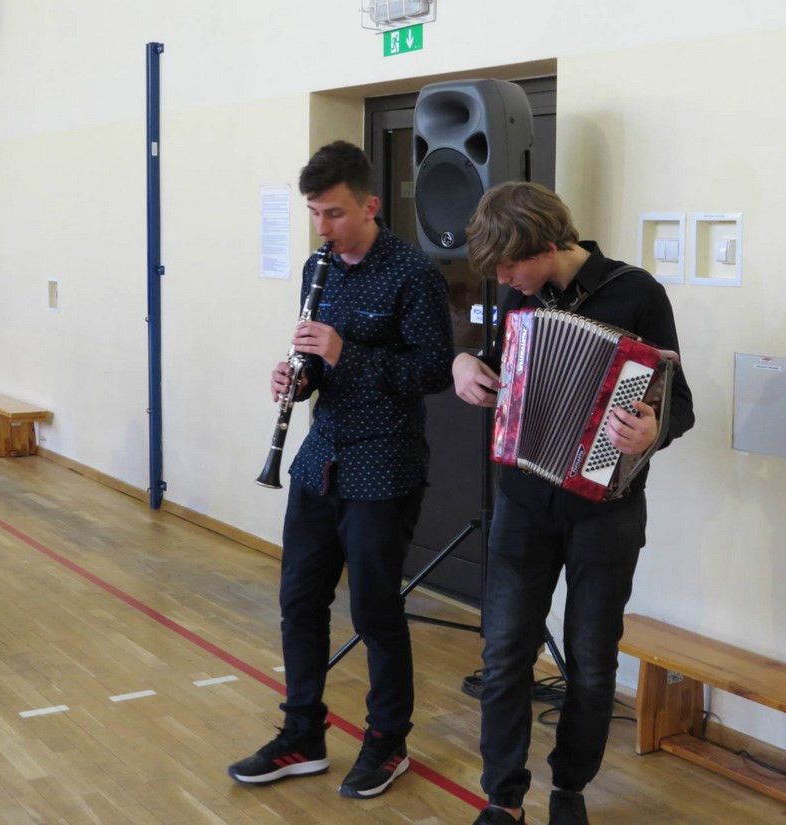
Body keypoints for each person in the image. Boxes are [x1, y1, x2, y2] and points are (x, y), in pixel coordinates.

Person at [453, 182, 695, 825]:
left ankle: (570, 790)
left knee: (590, 663)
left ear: (548, 246)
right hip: (523, 503)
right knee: (504, 656)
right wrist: (464, 364)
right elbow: (496, 366)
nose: (504, 280)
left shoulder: (637, 293)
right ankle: (503, 798)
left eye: (511, 266)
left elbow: (681, 403)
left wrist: (654, 430)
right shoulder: (519, 297)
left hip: (605, 511)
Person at [229, 141, 454, 799]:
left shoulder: (413, 273)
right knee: (299, 601)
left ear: (369, 205)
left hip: (384, 462)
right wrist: (298, 378)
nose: (322, 227)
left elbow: (433, 371)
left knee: (374, 610)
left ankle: (388, 740)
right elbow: (318, 365)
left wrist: (344, 352)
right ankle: (302, 733)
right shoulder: (317, 267)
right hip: (320, 456)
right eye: (314, 213)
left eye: (334, 213)